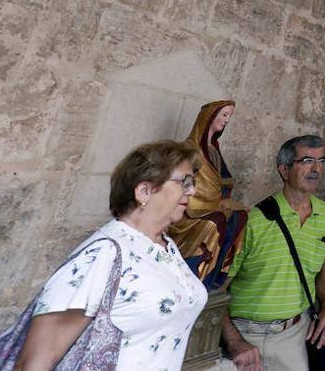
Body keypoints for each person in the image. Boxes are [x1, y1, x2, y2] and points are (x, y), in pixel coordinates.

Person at [14, 140, 208, 371]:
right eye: (184, 182)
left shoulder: (166, 247)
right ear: (144, 191)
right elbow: (37, 360)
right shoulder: (104, 253)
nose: (192, 191)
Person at [222, 135, 325, 371]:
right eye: (307, 161)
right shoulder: (253, 221)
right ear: (284, 170)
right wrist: (234, 341)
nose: (316, 168)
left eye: (321, 161)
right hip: (246, 336)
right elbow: (216, 291)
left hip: (294, 335)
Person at [169, 99, 248, 288]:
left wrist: (223, 200)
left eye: (229, 116)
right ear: (209, 116)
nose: (227, 120)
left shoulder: (214, 150)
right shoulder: (188, 148)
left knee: (240, 217)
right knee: (216, 221)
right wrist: (211, 202)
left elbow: (224, 181)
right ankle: (195, 276)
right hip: (191, 211)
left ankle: (213, 278)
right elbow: (184, 185)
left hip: (213, 206)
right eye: (224, 114)